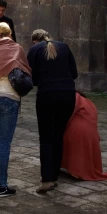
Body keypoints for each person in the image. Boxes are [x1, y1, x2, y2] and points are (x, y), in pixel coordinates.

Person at [27, 30, 78, 193]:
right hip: (67, 95)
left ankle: (47, 179)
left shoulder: (34, 51)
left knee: (46, 136)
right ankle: (54, 174)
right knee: (58, 134)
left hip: (47, 95)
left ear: (35, 41)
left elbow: (31, 78)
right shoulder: (64, 47)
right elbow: (74, 73)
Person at [0, 22, 30, 197]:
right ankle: (2, 186)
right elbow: (24, 69)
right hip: (9, 96)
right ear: (10, 33)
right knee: (4, 142)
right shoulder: (16, 48)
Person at [61, 93, 107, 181]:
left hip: (77, 132)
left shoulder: (75, 97)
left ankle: (75, 169)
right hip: (93, 135)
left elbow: (65, 116)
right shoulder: (89, 103)